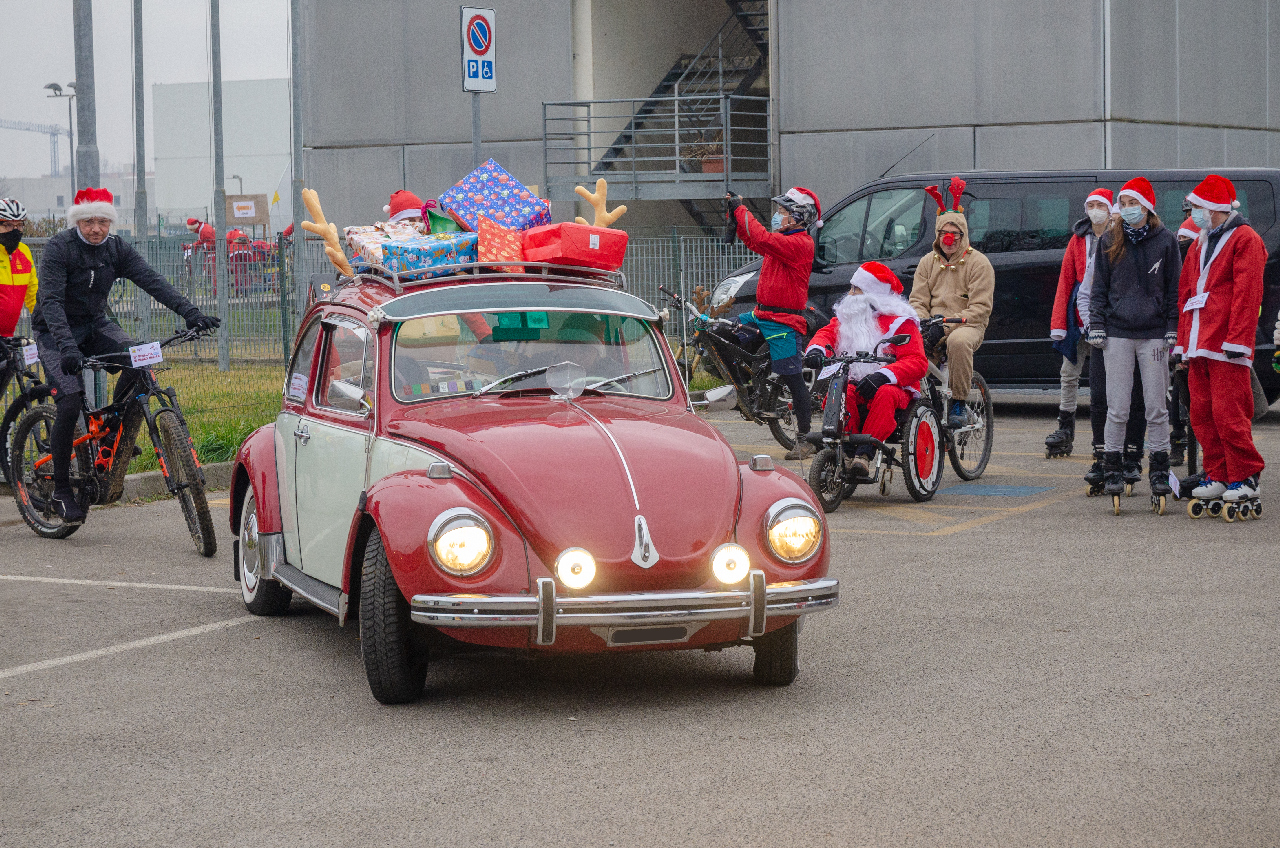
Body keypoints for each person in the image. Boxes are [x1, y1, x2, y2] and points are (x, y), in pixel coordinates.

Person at [33, 187, 219, 524]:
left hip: (95, 324)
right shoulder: (60, 248)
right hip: (54, 332)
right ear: (77, 222)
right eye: (88, 222)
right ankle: (61, 490)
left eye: (103, 222)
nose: (96, 229)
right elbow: (51, 302)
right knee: (70, 401)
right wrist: (67, 347)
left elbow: (151, 280)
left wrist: (191, 313)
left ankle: (109, 430)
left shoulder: (116, 248)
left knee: (140, 360)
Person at [1087, 176, 1180, 504]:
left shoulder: (1166, 241)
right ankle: (1112, 466)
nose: (1127, 209)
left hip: (1154, 335)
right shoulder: (1110, 239)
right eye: (1123, 204)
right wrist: (1097, 324)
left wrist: (1172, 326)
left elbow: (1174, 288)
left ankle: (1159, 468)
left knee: (1156, 407)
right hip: (1118, 333)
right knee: (1118, 407)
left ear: (1148, 206)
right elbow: (1099, 288)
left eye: (1133, 204)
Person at [1178, 174, 1267, 507]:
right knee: (1202, 414)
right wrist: (1182, 343)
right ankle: (1217, 473)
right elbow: (1186, 293)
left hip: (1226, 344)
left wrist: (1238, 340)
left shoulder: (1246, 239)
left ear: (1214, 208)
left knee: (1229, 414)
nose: (1194, 213)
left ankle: (1246, 475)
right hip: (1199, 341)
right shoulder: (1200, 242)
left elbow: (1248, 292)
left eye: (1197, 207)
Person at [803, 262, 927, 478]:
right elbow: (826, 335)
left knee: (885, 394)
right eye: (851, 288)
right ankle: (846, 451)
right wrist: (816, 350)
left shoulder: (901, 323)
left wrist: (882, 376)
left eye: (856, 289)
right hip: (855, 381)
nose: (849, 294)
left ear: (872, 294)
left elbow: (917, 362)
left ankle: (864, 454)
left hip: (893, 386)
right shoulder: (848, 318)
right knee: (840, 391)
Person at [727, 186, 821, 459]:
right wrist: (736, 217)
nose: (777, 215)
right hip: (762, 315)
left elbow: (761, 237)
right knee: (721, 333)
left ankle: (805, 439)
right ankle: (746, 390)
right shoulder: (782, 239)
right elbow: (754, 240)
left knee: (794, 380)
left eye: (782, 211)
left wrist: (740, 209)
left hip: (783, 321)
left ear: (798, 216)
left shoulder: (800, 244)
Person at [909, 177, 994, 429]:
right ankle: (917, 401)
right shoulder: (927, 262)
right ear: (937, 235)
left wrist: (945, 327)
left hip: (968, 325)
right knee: (909, 349)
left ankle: (958, 402)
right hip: (932, 324)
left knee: (958, 342)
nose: (949, 239)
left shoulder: (979, 264)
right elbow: (917, 300)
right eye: (944, 234)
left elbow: (980, 308)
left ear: (963, 235)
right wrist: (922, 323)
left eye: (955, 234)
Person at [1046, 188, 1114, 456]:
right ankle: (1065, 426)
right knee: (1069, 373)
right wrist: (1059, 323)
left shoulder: (1117, 237)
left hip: (1106, 319)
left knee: (1106, 378)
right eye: (1091, 205)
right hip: (1077, 319)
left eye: (1101, 205)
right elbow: (1065, 281)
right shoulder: (1077, 240)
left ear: (1110, 209)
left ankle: (1110, 431)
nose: (1096, 210)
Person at [0, 198, 39, 398]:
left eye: (19, 225)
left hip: (7, 339)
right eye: (7, 225)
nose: (14, 231)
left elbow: (33, 296)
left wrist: (48, 326)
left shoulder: (24, 252)